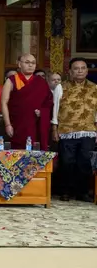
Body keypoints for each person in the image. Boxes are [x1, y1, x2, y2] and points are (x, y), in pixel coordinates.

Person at [52, 58, 97, 202]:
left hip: (88, 130)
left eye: (83, 68)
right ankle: (65, 191)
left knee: (84, 162)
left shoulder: (94, 88)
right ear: (70, 71)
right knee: (67, 162)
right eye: (76, 68)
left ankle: (82, 192)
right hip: (66, 130)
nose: (80, 71)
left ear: (87, 70)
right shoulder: (61, 87)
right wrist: (54, 128)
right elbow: (55, 109)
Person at [2, 54, 53, 150]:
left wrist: (42, 112)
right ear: (19, 64)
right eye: (27, 62)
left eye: (33, 63)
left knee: (36, 151)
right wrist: (8, 124)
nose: (30, 65)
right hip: (17, 124)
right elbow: (4, 103)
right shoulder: (12, 80)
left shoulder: (41, 82)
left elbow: (49, 102)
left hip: (36, 124)